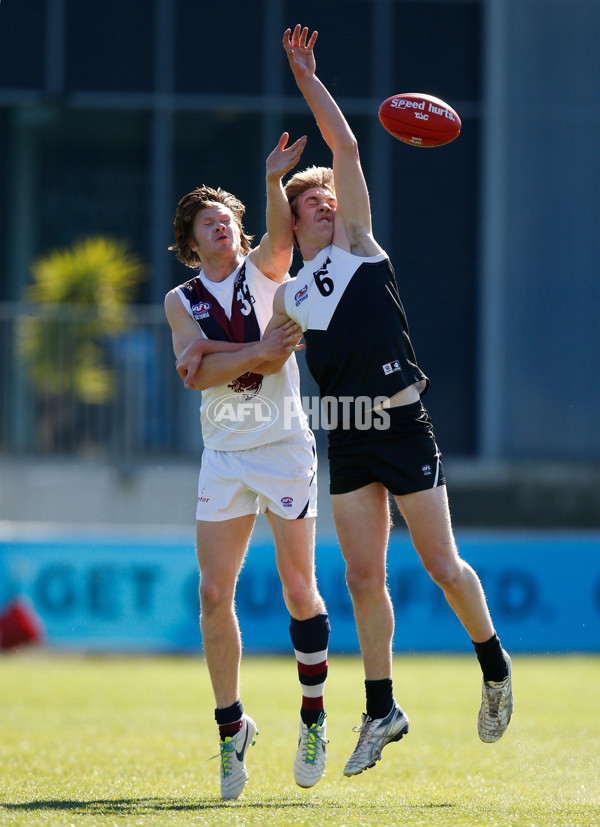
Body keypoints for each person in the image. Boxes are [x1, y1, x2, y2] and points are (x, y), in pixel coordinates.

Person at [268, 25, 513, 777]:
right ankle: (381, 709)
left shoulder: (360, 246)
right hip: (349, 432)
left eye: (324, 198)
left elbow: (343, 146)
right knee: (361, 578)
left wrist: (308, 80)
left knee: (442, 563)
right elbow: (261, 334)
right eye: (308, 203)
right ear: (297, 218)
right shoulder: (293, 299)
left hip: (403, 419)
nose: (322, 204)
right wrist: (273, 183)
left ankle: (495, 665)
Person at [164, 133, 329, 799]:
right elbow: (193, 375)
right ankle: (231, 728)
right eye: (210, 222)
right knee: (212, 593)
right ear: (191, 243)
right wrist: (256, 351)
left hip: (284, 449)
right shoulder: (182, 300)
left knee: (298, 588)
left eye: (229, 217)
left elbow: (213, 363)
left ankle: (313, 717)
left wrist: (271, 181)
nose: (223, 226)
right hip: (226, 456)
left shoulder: (264, 272)